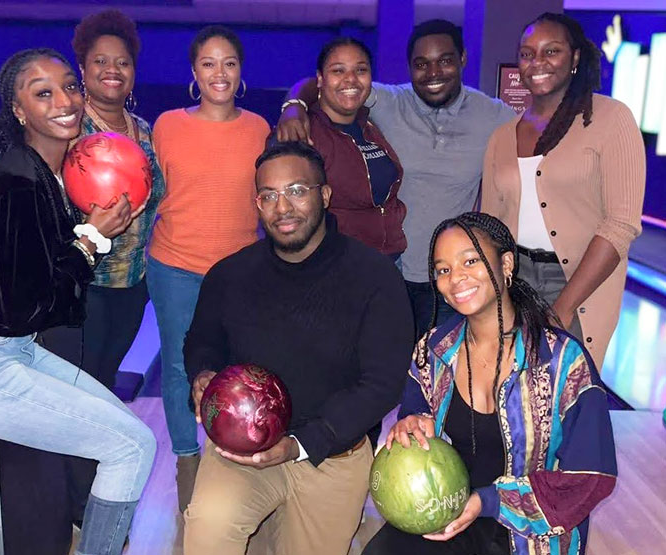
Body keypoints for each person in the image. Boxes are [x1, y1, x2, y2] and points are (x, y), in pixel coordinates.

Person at [0, 49, 156, 555]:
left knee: (128, 434)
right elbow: (32, 304)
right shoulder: (16, 185)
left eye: (69, 87)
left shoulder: (43, 173)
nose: (64, 101)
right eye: (43, 93)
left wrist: (88, 236)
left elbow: (46, 297)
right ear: (19, 110)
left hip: (5, 351)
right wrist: (91, 239)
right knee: (131, 446)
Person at [183, 142, 415, 554]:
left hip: (331, 454)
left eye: (296, 190)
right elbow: (202, 340)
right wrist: (203, 374)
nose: (282, 207)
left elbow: (382, 383)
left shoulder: (373, 277)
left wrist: (302, 442)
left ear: (325, 195)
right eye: (268, 196)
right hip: (243, 453)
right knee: (208, 530)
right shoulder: (230, 274)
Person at [362, 212, 616, 555]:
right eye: (443, 269)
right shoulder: (434, 350)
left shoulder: (563, 362)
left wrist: (489, 501)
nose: (456, 278)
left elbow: (590, 477)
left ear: (506, 263)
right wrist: (414, 421)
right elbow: (416, 407)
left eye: (470, 261)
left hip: (530, 533)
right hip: (450, 509)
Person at [277, 19, 515, 337]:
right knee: (389, 370)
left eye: (445, 61)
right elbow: (322, 83)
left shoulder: (494, 115)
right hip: (391, 271)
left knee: (441, 372)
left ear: (462, 60)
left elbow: (538, 137)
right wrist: (293, 106)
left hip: (450, 276)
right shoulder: (389, 101)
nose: (433, 73)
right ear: (409, 68)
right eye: (421, 64)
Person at [37, 9, 165, 526]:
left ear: (133, 71)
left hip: (130, 285)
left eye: (123, 62)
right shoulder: (68, 129)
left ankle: (91, 494)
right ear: (82, 70)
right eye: (99, 62)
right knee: (78, 393)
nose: (113, 70)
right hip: (80, 284)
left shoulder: (145, 130)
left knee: (104, 385)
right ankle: (76, 509)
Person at [147, 25, 270, 513]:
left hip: (240, 269)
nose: (219, 73)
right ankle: (187, 463)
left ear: (240, 73)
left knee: (238, 368)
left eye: (229, 64)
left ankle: (236, 458)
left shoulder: (260, 128)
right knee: (180, 368)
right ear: (193, 72)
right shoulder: (167, 125)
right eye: (208, 64)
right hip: (175, 264)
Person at [481, 12, 646, 366]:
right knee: (512, 393)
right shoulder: (501, 136)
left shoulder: (610, 119)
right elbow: (489, 225)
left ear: (574, 58)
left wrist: (562, 308)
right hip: (514, 279)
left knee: (566, 396)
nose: (536, 63)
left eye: (550, 51)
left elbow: (621, 224)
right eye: (527, 54)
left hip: (577, 279)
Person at [294, 36, 405, 259]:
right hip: (337, 267)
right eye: (338, 71)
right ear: (320, 78)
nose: (351, 79)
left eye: (361, 70)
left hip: (388, 262)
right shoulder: (304, 134)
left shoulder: (371, 125)